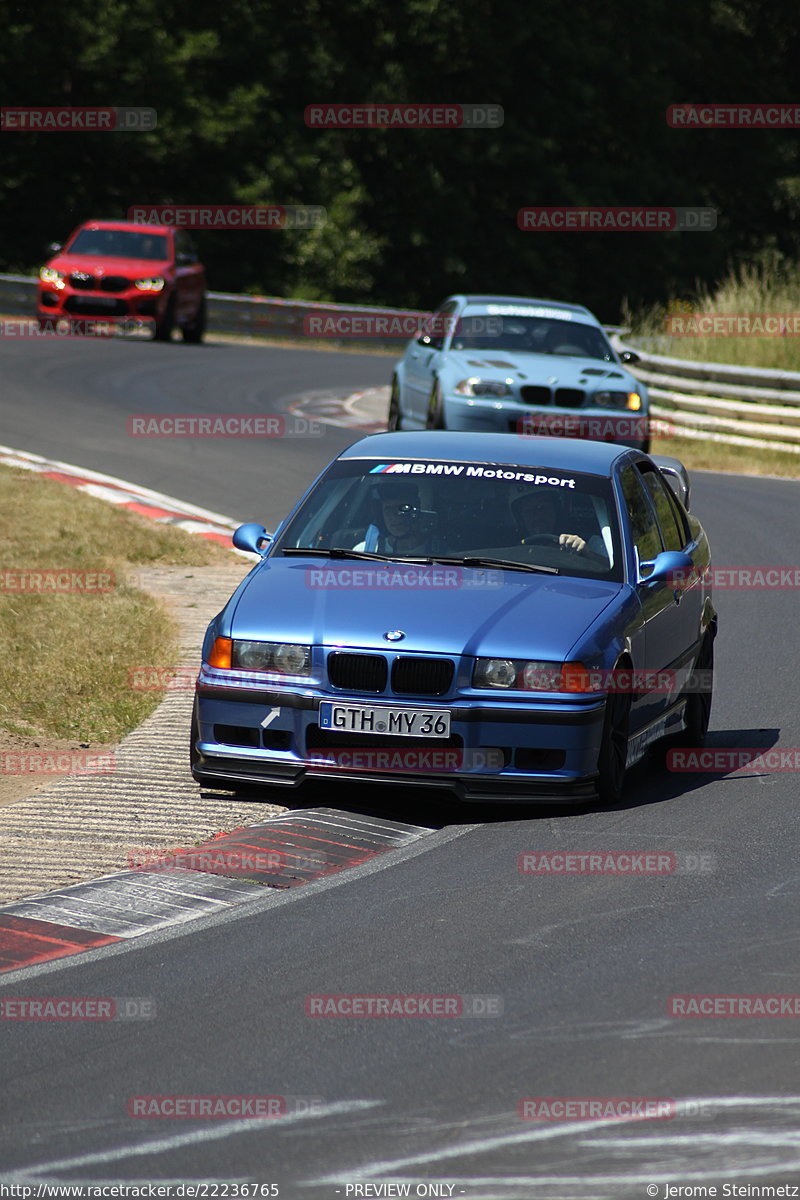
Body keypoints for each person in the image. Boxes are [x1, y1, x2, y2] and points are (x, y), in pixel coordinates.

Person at [512, 489, 608, 559]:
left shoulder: (590, 542)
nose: (537, 516)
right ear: (519, 518)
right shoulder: (505, 545)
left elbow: (614, 572)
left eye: (542, 507)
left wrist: (586, 554)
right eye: (528, 510)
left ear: (556, 509)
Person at [355, 479, 430, 555]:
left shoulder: (440, 553)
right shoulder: (363, 552)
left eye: (403, 508)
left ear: (416, 509)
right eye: (388, 508)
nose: (394, 516)